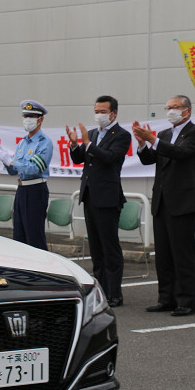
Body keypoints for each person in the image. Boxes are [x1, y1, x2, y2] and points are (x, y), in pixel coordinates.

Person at [133, 95, 195, 316]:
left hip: (182, 201)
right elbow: (149, 160)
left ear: (187, 111)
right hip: (162, 201)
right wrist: (143, 144)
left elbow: (181, 153)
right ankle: (166, 298)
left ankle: (186, 301)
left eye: (175, 107)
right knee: (163, 254)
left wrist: (153, 140)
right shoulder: (164, 134)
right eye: (168, 107)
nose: (170, 111)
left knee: (182, 253)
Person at [65, 95, 132, 307]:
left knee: (109, 246)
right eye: (96, 111)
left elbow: (110, 157)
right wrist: (75, 144)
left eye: (103, 111)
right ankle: (100, 289)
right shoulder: (92, 134)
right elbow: (79, 160)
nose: (99, 115)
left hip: (108, 197)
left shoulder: (121, 135)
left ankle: (115, 293)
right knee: (95, 246)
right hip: (90, 195)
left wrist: (87, 142)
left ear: (114, 113)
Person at [0, 100, 53, 250]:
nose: (27, 120)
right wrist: (5, 159)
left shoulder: (44, 143)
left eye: (31, 116)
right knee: (19, 235)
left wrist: (11, 161)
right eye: (25, 116)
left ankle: (40, 271)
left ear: (40, 119)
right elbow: (14, 171)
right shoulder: (23, 143)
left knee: (34, 236)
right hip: (21, 190)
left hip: (35, 190)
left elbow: (33, 169)